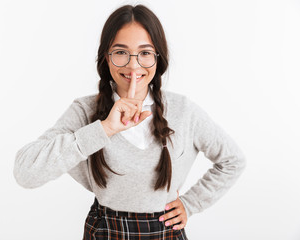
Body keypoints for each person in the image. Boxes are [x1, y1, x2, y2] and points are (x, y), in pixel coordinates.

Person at [13, 4, 246, 240]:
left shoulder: (183, 111)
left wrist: (191, 203)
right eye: (121, 52)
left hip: (165, 232)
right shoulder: (85, 111)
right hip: (106, 231)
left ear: (158, 58)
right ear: (106, 57)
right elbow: (26, 173)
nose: (133, 66)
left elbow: (232, 160)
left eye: (145, 53)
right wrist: (105, 128)